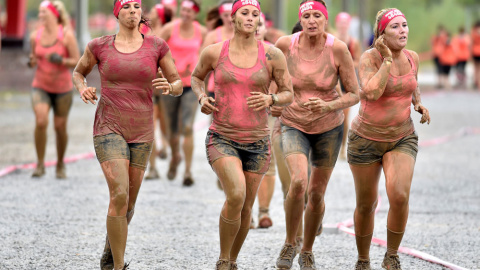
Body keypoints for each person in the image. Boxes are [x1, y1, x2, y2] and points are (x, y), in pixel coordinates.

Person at [72, 1, 182, 269]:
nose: (133, 10)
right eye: (127, 6)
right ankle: (118, 266)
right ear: (117, 13)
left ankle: (110, 251)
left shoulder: (157, 46)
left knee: (129, 204)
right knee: (119, 194)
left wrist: (170, 86)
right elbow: (78, 71)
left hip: (142, 130)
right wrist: (82, 88)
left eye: (137, 6)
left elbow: (178, 82)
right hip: (109, 125)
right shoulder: (99, 46)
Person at [191, 1, 294, 268]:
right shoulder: (214, 52)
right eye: (244, 13)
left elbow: (288, 92)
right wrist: (202, 97)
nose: (250, 18)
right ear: (232, 18)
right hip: (222, 137)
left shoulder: (272, 55)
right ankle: (223, 260)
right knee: (235, 194)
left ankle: (232, 259)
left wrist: (271, 99)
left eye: (255, 15)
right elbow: (196, 77)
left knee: (246, 210)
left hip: (258, 142)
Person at [274, 1, 360, 269]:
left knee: (316, 194)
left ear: (326, 19)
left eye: (317, 16)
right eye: (307, 16)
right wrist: (271, 99)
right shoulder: (285, 45)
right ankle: (290, 243)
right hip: (293, 122)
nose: (312, 21)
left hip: (328, 127)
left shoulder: (338, 48)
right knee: (298, 182)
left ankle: (307, 250)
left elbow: (354, 93)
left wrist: (329, 105)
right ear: (301, 19)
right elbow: (267, 78)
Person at [349, 8, 431, 270]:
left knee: (399, 195)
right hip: (366, 138)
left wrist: (418, 104)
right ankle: (363, 259)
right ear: (381, 33)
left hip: (401, 137)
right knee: (366, 204)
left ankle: (392, 255)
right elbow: (371, 93)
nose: (403, 30)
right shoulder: (369, 58)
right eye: (395, 27)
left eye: (404, 25)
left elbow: (412, 82)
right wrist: (385, 61)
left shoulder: (412, 57)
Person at [28, 0, 80, 179]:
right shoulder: (35, 35)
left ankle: (60, 164)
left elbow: (77, 60)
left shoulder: (66, 35)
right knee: (41, 121)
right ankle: (40, 164)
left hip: (62, 88)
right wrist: (31, 61)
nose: (40, 15)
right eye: (40, 12)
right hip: (40, 85)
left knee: (60, 127)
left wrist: (62, 60)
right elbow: (33, 57)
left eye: (43, 12)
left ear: (54, 14)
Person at [159, 0, 207, 186]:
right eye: (184, 10)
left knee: (187, 126)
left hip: (190, 85)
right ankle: (174, 157)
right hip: (171, 83)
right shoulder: (170, 28)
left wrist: (198, 70)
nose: (186, 14)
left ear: (195, 14)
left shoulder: (201, 32)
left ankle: (188, 171)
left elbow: (205, 55)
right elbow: (156, 50)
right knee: (171, 128)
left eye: (190, 11)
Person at [144, 3, 174, 180]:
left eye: (154, 12)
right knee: (151, 127)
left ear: (161, 16)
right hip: (151, 88)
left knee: (169, 127)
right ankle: (153, 167)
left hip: (168, 88)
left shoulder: (167, 33)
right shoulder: (145, 34)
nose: (150, 14)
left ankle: (171, 154)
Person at [334, 11, 362, 160]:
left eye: (346, 23)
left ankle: (343, 146)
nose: (343, 26)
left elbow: (358, 61)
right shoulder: (331, 40)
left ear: (349, 25)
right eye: (341, 23)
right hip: (332, 81)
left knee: (344, 117)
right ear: (337, 24)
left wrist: (347, 63)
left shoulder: (353, 42)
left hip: (346, 83)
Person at [471, 21, 480, 90]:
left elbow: (471, 43)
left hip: (475, 52)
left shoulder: (473, 32)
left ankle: (476, 82)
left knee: (476, 68)